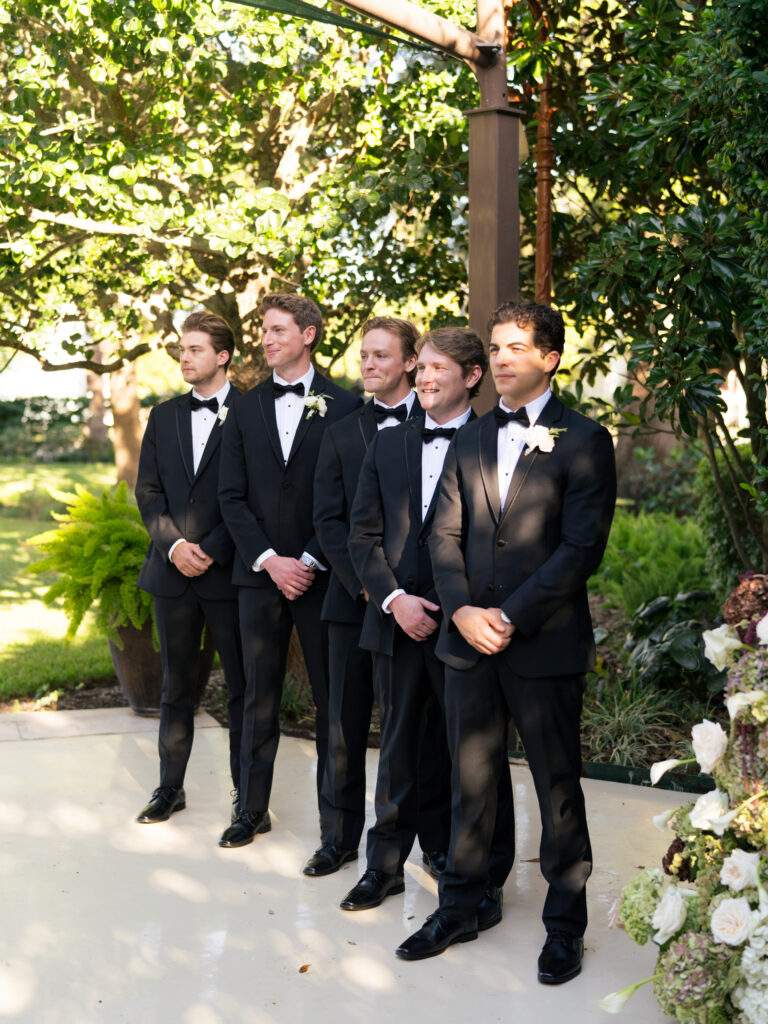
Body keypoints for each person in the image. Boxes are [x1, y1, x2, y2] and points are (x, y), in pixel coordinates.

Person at [396, 301, 616, 986]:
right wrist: (462, 611)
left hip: (542, 642)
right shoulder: (469, 437)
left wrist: (509, 617)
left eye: (516, 347)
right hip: (467, 645)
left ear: (549, 357)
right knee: (470, 784)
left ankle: (564, 927)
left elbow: (581, 550)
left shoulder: (583, 439)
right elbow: (444, 536)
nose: (500, 358)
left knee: (556, 789)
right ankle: (461, 904)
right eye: (494, 347)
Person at [345, 327, 515, 917]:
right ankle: (384, 866)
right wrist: (394, 598)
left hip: (465, 624)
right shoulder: (388, 444)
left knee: (474, 755)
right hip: (396, 620)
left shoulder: (497, 442)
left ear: (472, 377)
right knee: (395, 749)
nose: (424, 379)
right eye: (421, 369)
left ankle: (483, 872)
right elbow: (361, 536)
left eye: (439, 369)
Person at [217, 293, 361, 848]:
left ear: (309, 334)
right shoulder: (245, 408)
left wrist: (306, 558)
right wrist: (269, 559)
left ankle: (336, 829)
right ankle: (250, 810)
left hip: (322, 578)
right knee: (257, 695)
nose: (267, 339)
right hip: (257, 575)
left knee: (333, 703)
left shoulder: (346, 407)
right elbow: (231, 497)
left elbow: (350, 499)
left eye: (278, 330)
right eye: (264, 331)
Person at [303, 316, 421, 877]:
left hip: (422, 605)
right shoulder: (342, 430)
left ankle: (428, 847)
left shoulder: (438, 422)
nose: (369, 366)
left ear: (410, 361)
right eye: (364, 356)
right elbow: (327, 520)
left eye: (381, 356)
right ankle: (338, 838)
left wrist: (404, 594)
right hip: (352, 601)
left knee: (413, 731)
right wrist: (371, 588)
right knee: (342, 727)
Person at [135, 311, 245, 825]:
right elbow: (148, 492)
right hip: (172, 574)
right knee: (175, 686)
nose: (184, 356)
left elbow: (254, 498)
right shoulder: (163, 416)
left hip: (230, 574)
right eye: (182, 348)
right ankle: (168, 788)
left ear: (222, 356)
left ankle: (247, 795)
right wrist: (174, 546)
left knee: (243, 687)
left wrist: (215, 548)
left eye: (196, 349)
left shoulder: (251, 413)